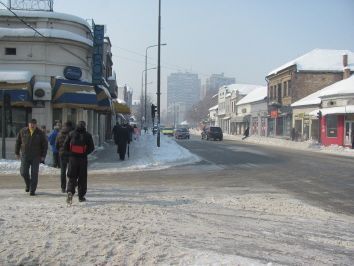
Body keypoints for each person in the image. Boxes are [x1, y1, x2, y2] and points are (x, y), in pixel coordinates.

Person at [15, 118, 48, 196]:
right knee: (23, 172)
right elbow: (18, 142)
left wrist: (43, 155)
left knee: (34, 173)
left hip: (36, 156)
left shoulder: (40, 133)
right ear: (28, 124)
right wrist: (17, 152)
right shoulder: (23, 131)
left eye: (34, 124)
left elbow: (45, 145)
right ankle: (28, 184)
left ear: (36, 125)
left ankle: (32, 190)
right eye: (31, 123)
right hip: (25, 155)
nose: (32, 125)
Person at [64, 121, 94, 204]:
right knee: (82, 178)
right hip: (82, 159)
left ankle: (70, 191)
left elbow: (65, 145)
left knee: (72, 177)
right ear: (85, 126)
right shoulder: (88, 135)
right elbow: (92, 147)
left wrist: (70, 153)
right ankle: (81, 196)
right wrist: (85, 152)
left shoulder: (71, 134)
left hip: (73, 159)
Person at [55, 121, 74, 193]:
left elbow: (56, 145)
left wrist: (60, 150)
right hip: (71, 154)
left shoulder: (59, 133)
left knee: (62, 171)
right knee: (71, 170)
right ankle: (71, 185)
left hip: (62, 154)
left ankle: (63, 187)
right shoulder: (72, 133)